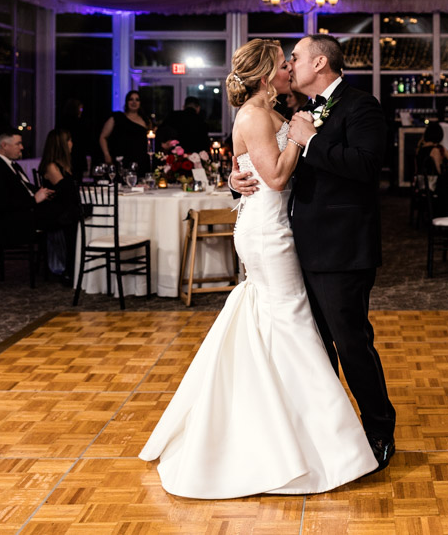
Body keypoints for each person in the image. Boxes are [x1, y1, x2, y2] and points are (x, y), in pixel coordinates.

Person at [140, 38, 380, 499]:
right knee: (291, 323)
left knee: (293, 326)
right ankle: (303, 438)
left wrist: (287, 141)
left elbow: (254, 165)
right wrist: (296, 139)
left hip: (299, 234)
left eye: (294, 59)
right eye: (284, 62)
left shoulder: (315, 110)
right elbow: (271, 176)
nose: (290, 67)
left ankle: (306, 427)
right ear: (270, 73)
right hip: (271, 234)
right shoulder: (262, 114)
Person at [232, 34, 396, 473]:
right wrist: (237, 178)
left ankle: (379, 430)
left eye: (296, 58)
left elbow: (365, 167)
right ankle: (326, 432)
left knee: (351, 343)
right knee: (312, 346)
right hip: (294, 246)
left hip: (342, 248)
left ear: (320, 62)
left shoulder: (361, 105)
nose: (290, 64)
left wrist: (311, 140)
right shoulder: (290, 112)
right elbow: (266, 160)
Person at [0, 132, 55, 249]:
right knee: (61, 221)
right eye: (18, 144)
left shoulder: (11, 164)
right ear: (4, 145)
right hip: (8, 226)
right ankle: (61, 264)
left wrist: (44, 192)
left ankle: (60, 263)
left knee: (62, 214)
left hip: (21, 216)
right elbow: (2, 203)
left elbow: (24, 189)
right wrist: (34, 200)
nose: (22, 147)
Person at [38, 129, 82, 283]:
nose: (72, 143)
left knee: (84, 214)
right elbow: (66, 192)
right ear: (61, 144)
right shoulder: (51, 166)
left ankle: (79, 265)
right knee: (75, 218)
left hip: (65, 208)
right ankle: (70, 269)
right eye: (68, 140)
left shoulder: (65, 165)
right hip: (55, 212)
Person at [98, 90, 152, 174]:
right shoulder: (117, 117)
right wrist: (106, 155)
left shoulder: (146, 120)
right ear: (127, 102)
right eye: (131, 99)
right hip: (121, 160)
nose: (134, 102)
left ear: (140, 103)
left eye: (137, 100)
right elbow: (103, 137)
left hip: (141, 161)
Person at [57, 98, 90, 183]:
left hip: (69, 155)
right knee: (75, 181)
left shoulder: (62, 121)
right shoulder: (78, 123)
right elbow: (84, 140)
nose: (81, 111)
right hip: (76, 156)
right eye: (80, 109)